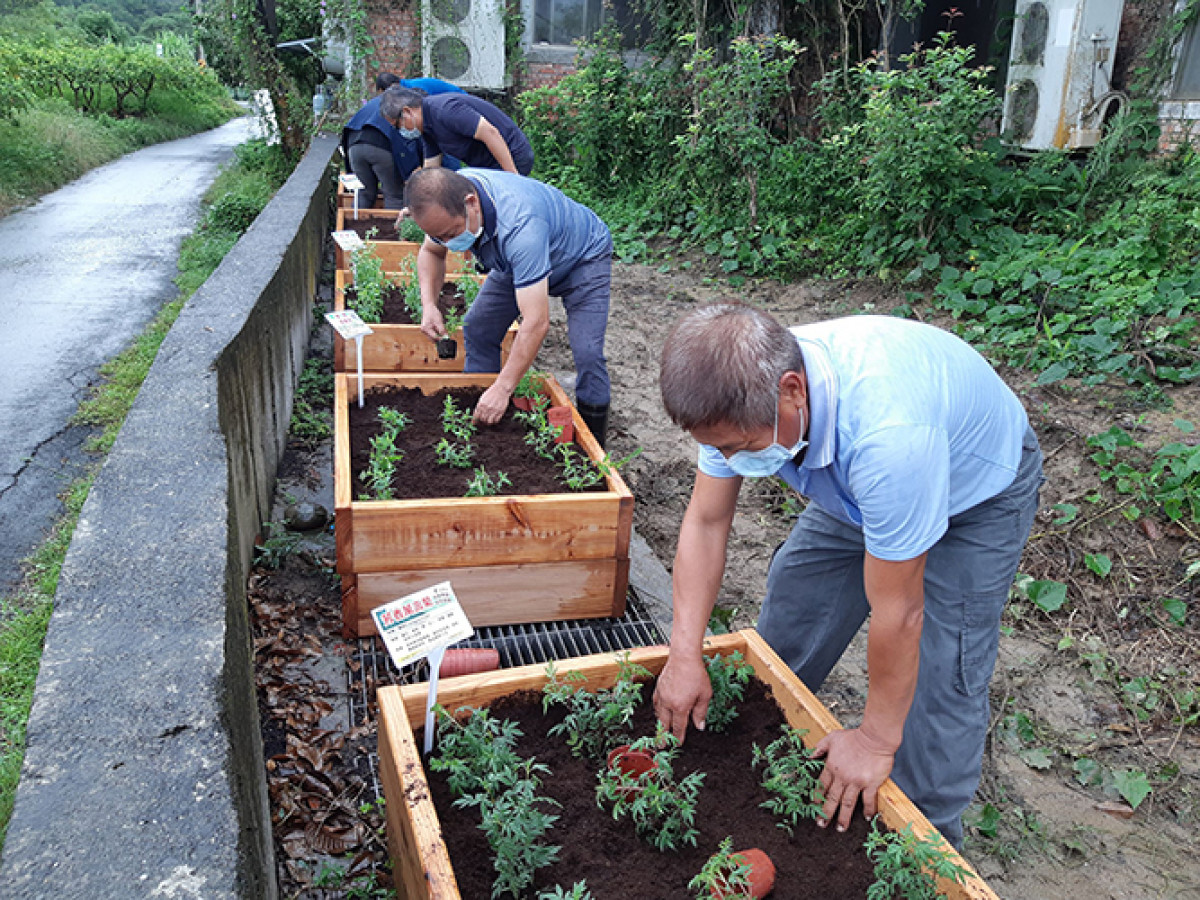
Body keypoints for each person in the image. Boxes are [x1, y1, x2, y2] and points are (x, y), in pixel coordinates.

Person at [652, 305, 1044, 849]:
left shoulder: (888, 438)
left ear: (793, 391)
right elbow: (707, 519)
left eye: (737, 448)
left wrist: (876, 739)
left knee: (945, 666)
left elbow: (900, 611)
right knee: (799, 592)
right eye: (718, 447)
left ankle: (924, 843)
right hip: (867, 483)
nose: (728, 459)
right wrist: (684, 652)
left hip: (974, 493)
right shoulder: (730, 392)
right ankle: (765, 736)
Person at [401, 167, 612, 443]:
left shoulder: (520, 226)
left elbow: (536, 323)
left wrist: (504, 387)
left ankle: (595, 447)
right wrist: (428, 304)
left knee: (587, 351)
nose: (450, 244)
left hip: (583, 257)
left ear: (471, 203)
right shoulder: (444, 197)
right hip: (517, 262)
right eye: (442, 236)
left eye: (453, 233)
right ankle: (483, 417)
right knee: (478, 328)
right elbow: (431, 251)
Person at [390, 87, 534, 175]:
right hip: (486, 165)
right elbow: (431, 169)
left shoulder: (445, 110)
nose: (401, 130)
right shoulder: (427, 128)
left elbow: (490, 133)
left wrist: (512, 176)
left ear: (407, 112)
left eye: (398, 125)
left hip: (512, 155)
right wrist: (417, 204)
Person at [341, 87, 420, 209]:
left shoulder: (380, 102)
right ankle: (394, 227)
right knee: (394, 195)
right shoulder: (406, 110)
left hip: (354, 146)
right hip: (382, 146)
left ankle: (356, 224)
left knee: (364, 193)